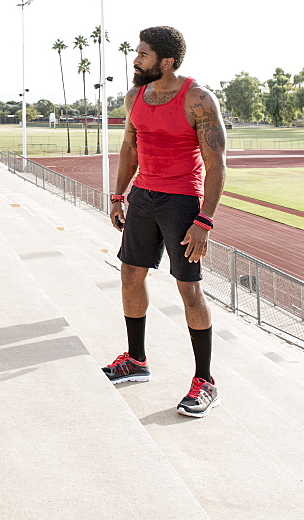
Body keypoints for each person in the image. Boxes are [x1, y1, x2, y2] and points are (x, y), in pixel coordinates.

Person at [103, 26, 226, 418]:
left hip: (182, 203)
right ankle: (136, 361)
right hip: (143, 197)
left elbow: (216, 163)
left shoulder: (198, 100)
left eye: (142, 54)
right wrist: (119, 195)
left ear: (167, 61)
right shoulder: (134, 96)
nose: (135, 60)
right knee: (130, 276)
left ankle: (205, 382)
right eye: (136, 53)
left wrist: (204, 221)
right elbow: (129, 147)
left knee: (188, 289)